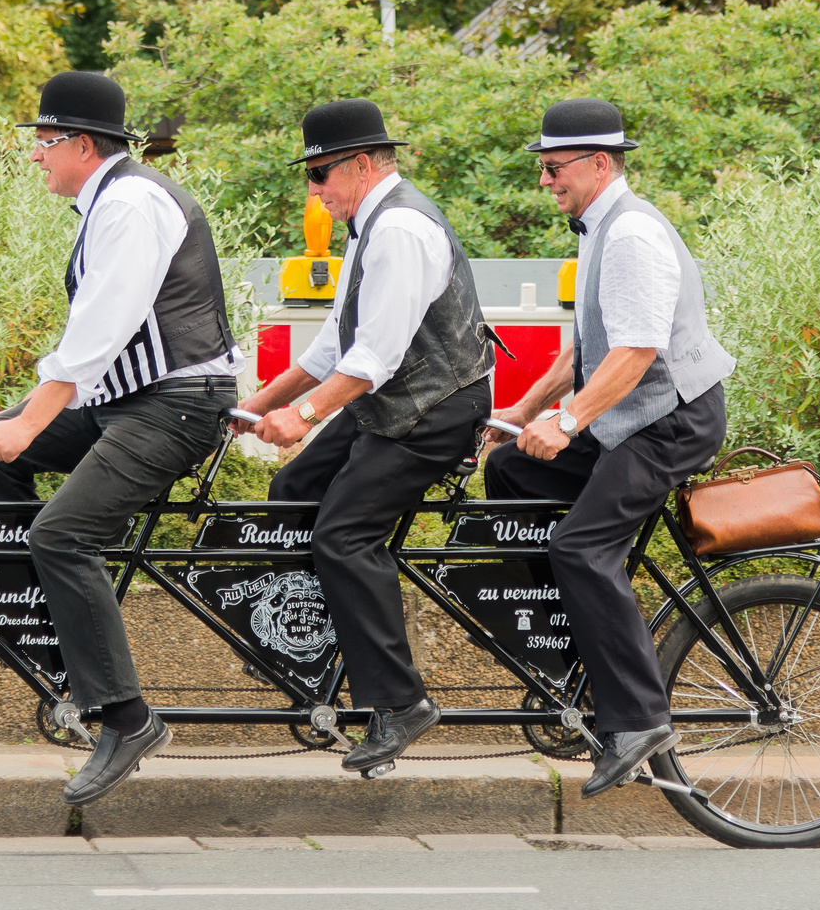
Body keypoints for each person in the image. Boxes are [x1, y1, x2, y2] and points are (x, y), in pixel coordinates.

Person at [0, 71, 243, 805]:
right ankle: (28, 627)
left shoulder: (133, 204)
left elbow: (101, 329)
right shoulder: (107, 200)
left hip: (174, 408)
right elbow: (95, 346)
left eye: (44, 143)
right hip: (129, 401)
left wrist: (33, 419)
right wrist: (8, 424)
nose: (36, 156)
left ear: (81, 144)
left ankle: (128, 719)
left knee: (62, 535)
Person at [233, 98, 496, 774]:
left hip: (432, 411)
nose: (314, 193)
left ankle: (400, 701)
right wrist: (251, 406)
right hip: (390, 402)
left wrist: (305, 415)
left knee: (344, 535)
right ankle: (308, 643)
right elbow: (332, 347)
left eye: (319, 175)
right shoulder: (368, 226)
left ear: (358, 166)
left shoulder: (401, 229)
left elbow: (374, 356)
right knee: (293, 489)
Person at [483, 97, 734, 797]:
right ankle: (575, 650)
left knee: (579, 548)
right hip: (630, 414)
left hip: (670, 419)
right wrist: (522, 412)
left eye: (553, 167)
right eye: (542, 167)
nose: (544, 180)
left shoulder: (630, 235)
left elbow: (635, 350)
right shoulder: (597, 226)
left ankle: (638, 717)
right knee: (509, 472)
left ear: (598, 163)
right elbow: (587, 345)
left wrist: (566, 422)